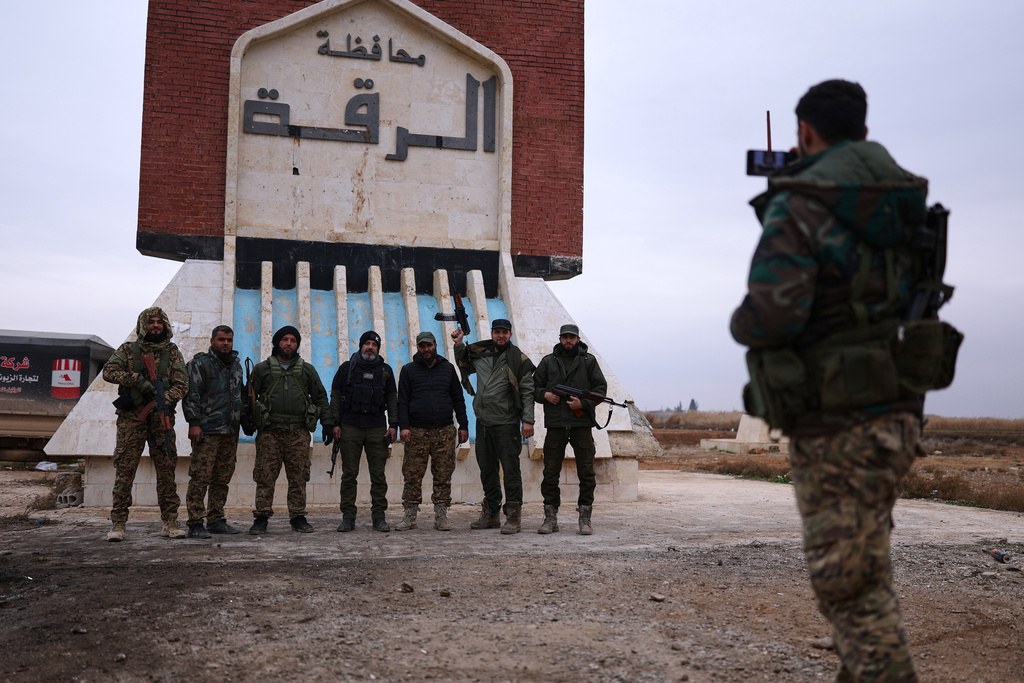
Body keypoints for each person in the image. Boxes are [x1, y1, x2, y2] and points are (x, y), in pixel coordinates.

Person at [731, 79, 952, 682]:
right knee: (865, 573)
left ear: (805, 133)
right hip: (898, 410)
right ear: (862, 130)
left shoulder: (801, 203)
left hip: (836, 424)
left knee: (850, 591)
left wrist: (740, 320)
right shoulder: (904, 204)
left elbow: (771, 314)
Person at [102, 307, 189, 541]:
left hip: (162, 419)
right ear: (143, 325)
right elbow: (108, 371)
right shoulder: (129, 350)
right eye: (151, 322)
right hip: (132, 419)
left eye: (160, 322)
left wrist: (164, 399)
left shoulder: (172, 353)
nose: (156, 325)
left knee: (167, 470)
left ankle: (170, 522)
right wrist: (136, 379)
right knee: (125, 470)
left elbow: (182, 384)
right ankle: (118, 524)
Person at [453, 318, 535, 534]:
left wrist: (528, 420)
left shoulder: (519, 360)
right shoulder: (482, 353)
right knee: (487, 469)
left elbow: (527, 391)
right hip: (484, 422)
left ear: (510, 335)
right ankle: (491, 514)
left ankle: (514, 517)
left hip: (507, 423)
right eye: (497, 332)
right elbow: (464, 364)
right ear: (492, 333)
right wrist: (459, 344)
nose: (500, 336)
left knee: (510, 470)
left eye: (504, 332)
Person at [249, 325, 332, 534]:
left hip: (298, 432)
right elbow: (248, 397)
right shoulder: (262, 369)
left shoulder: (307, 369)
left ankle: (298, 516)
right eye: (285, 339)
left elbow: (321, 396)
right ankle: (261, 517)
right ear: (277, 342)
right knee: (265, 476)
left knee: (298, 476)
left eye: (293, 340)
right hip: (270, 432)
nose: (289, 343)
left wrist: (328, 422)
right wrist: (247, 421)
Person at [532, 324, 607, 535]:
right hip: (556, 425)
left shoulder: (588, 361)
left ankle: (585, 519)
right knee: (550, 473)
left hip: (581, 426)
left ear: (577, 339)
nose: (568, 341)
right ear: (560, 338)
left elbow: (600, 390)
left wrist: (582, 405)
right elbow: (533, 388)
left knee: (586, 472)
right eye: (565, 337)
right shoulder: (548, 362)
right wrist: (545, 395)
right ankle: (550, 517)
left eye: (571, 338)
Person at [395, 331, 469, 532]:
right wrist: (405, 427)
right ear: (417, 348)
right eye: (422, 346)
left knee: (443, 474)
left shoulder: (448, 369)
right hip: (416, 432)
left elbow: (458, 399)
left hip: (444, 431)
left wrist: (463, 425)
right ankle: (409, 516)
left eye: (429, 345)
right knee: (412, 474)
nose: (426, 349)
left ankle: (441, 517)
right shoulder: (408, 370)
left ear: (435, 345)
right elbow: (402, 401)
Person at [181, 325, 250, 538]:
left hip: (230, 431)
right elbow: (191, 394)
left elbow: (240, 396)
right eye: (221, 339)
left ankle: (216, 519)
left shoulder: (237, 366)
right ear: (212, 341)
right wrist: (194, 423)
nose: (226, 343)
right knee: (200, 477)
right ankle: (194, 522)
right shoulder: (199, 364)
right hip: (207, 431)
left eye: (229, 339)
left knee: (222, 478)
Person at [330, 331, 398, 532]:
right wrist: (335, 423)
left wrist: (393, 425)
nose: (370, 347)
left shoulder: (385, 370)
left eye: (374, 344)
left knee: (378, 475)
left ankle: (379, 517)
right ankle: (348, 517)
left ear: (378, 348)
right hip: (350, 427)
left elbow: (393, 400)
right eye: (367, 344)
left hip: (377, 428)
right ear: (360, 346)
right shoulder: (346, 369)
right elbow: (335, 396)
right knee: (349, 474)